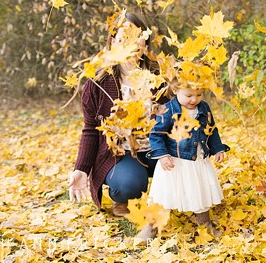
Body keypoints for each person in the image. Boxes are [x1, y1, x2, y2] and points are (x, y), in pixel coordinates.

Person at [68, 13, 167, 217]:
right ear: (113, 42)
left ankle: (166, 195)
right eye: (125, 35)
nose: (131, 41)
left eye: (137, 35)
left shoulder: (161, 78)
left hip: (159, 149)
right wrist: (82, 169)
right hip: (121, 155)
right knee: (129, 183)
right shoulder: (97, 84)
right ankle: (124, 196)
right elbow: (90, 130)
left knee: (183, 169)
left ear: (145, 41)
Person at [142, 84, 228, 239]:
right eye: (189, 95)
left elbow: (212, 129)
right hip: (174, 161)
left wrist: (217, 148)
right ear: (175, 90)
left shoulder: (204, 108)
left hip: (196, 159)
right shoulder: (168, 110)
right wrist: (162, 155)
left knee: (199, 189)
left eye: (199, 94)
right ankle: (152, 226)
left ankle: (205, 223)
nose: (194, 99)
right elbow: (156, 134)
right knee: (164, 194)